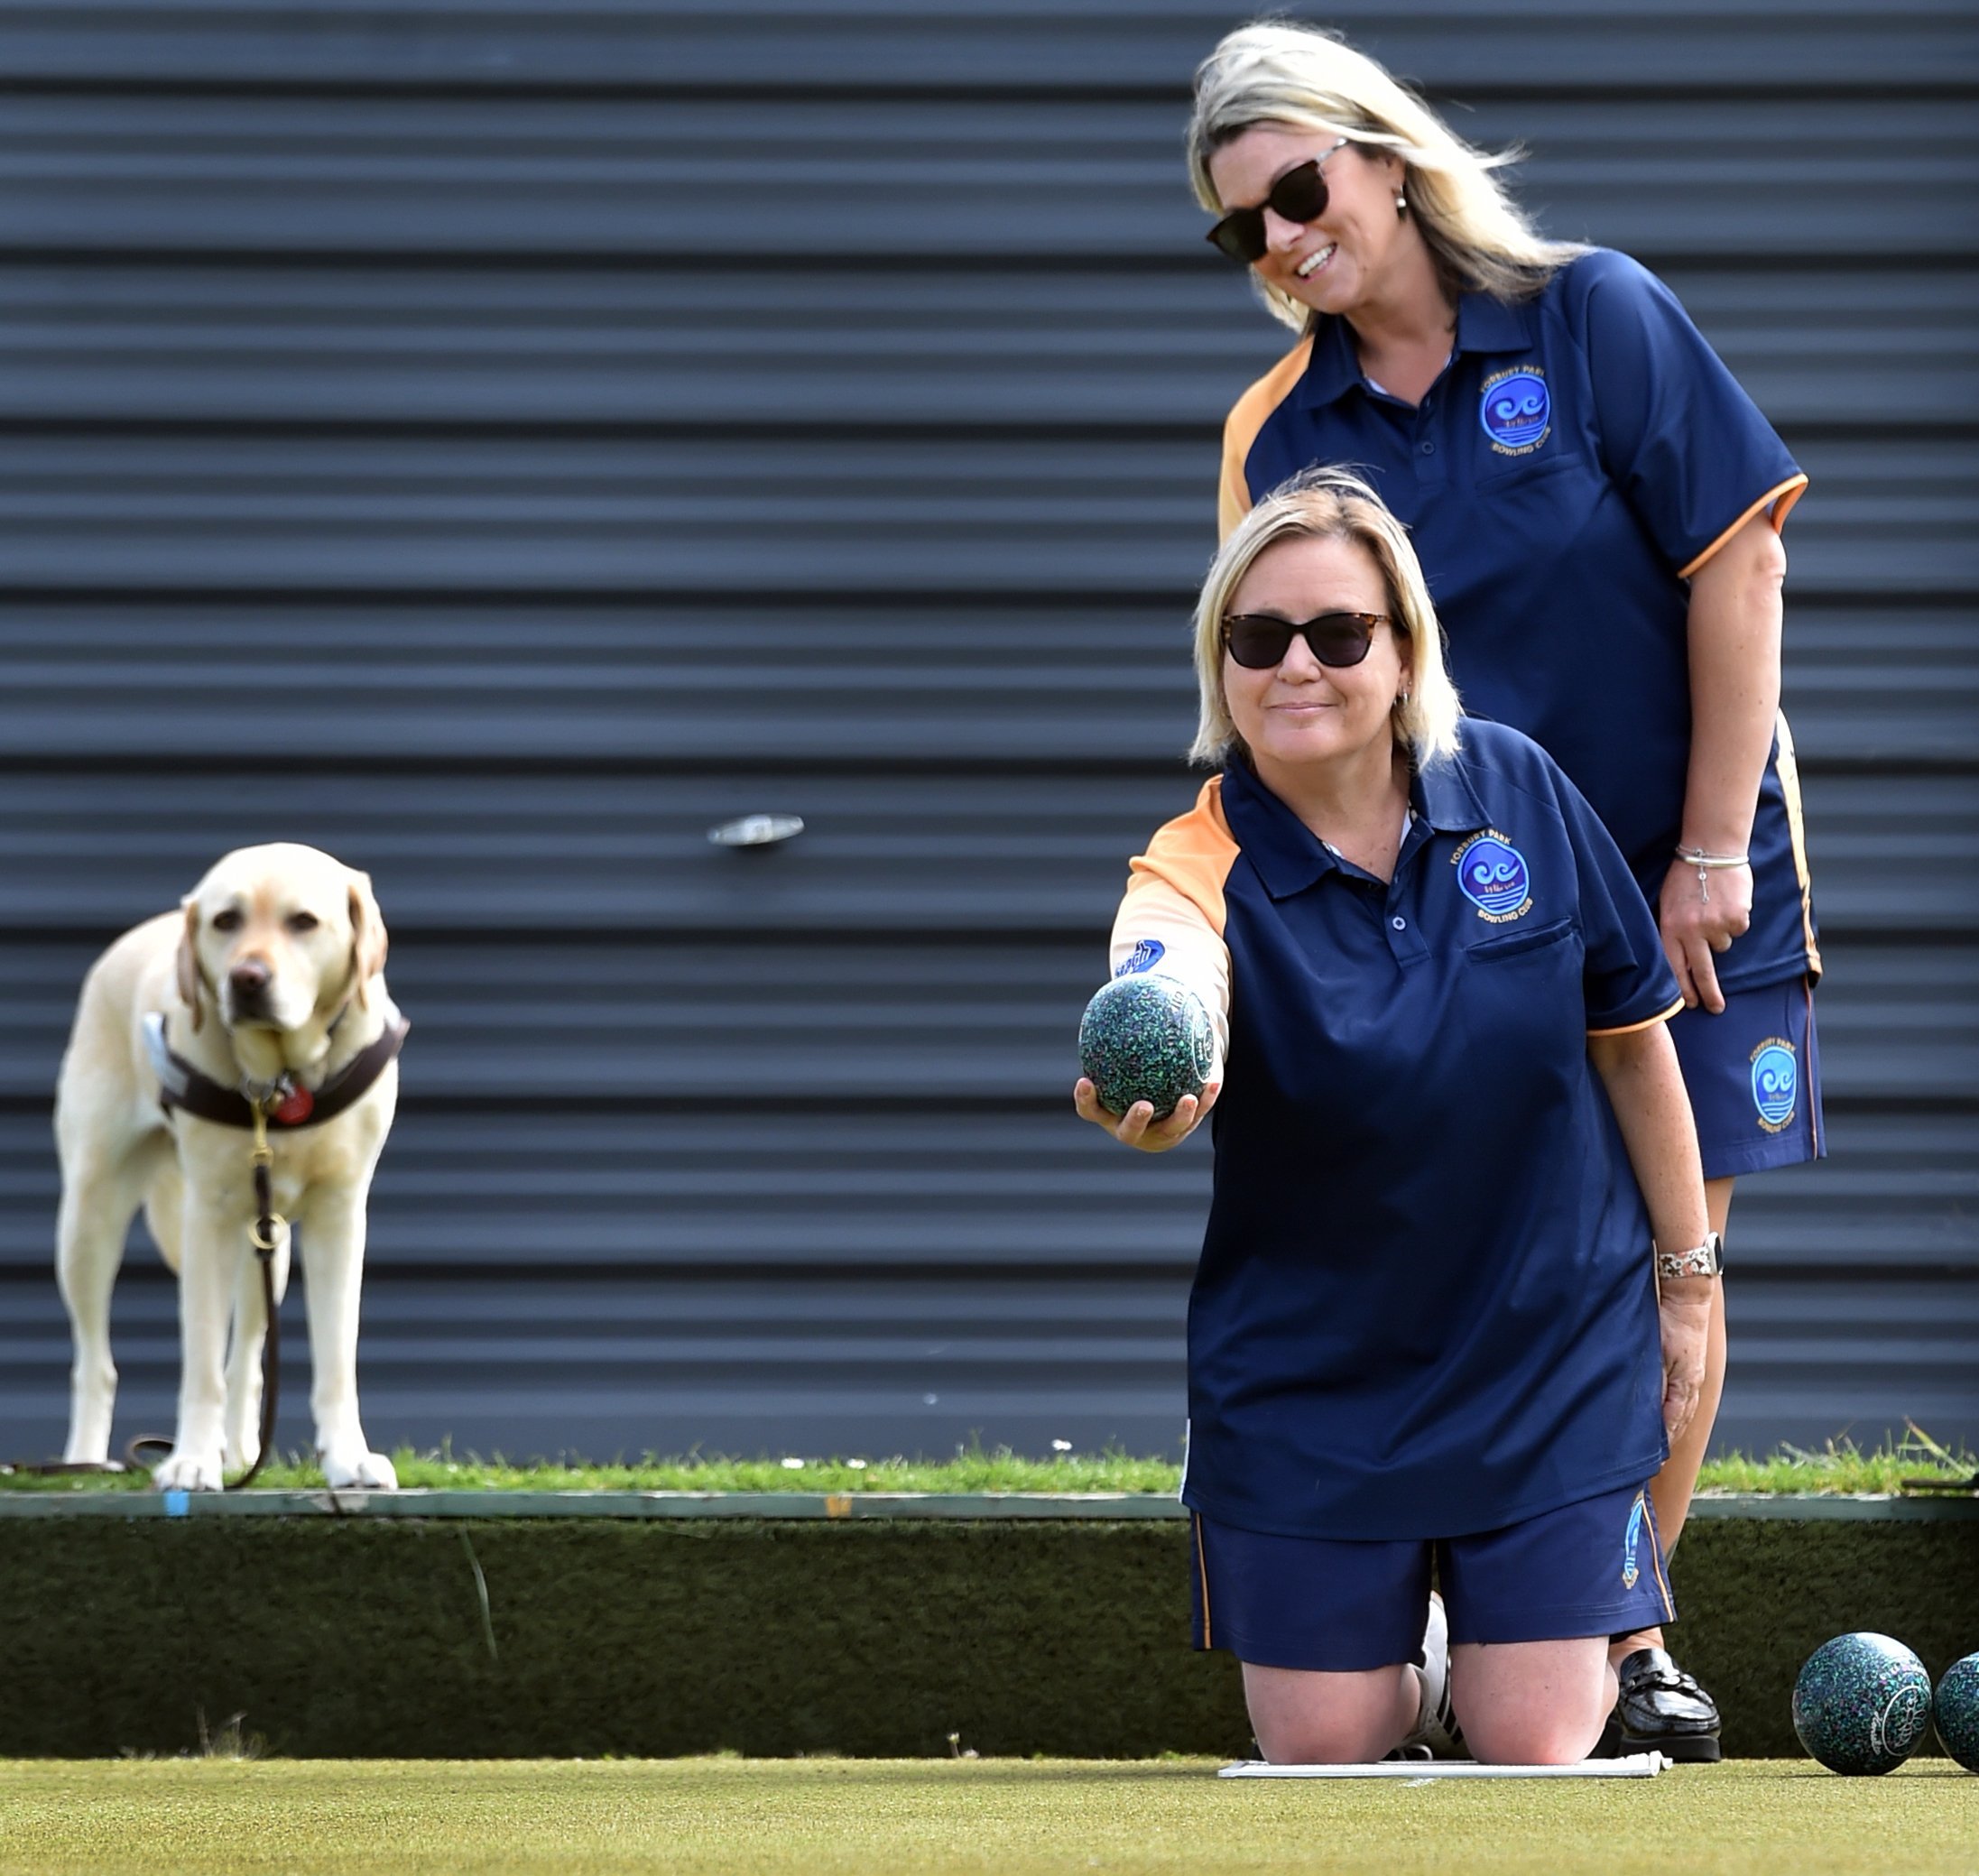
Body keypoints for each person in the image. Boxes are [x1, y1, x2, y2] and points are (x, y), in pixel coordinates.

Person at [1185, 20, 1822, 1757]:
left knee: (1658, 1250)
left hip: (1682, 870)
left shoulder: (1593, 312)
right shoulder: (1280, 426)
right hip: (1450, 913)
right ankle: (1475, 1641)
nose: (1285, 242)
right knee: (1478, 1257)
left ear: (1383, 155)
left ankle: (1616, 1641)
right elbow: (1292, 683)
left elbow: (1739, 563)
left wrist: (1702, 851)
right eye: (1243, 229)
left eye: (1300, 190)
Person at [1073, 471, 1720, 1764]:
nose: (1293, 667)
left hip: (1540, 1351)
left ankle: (1519, 1655)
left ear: (1404, 648)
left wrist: (1688, 1277)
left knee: (1532, 1744)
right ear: (1221, 663)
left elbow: (1633, 1041)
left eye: (1336, 633)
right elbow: (1160, 957)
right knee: (1327, 1747)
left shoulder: (1520, 791)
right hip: (1314, 1374)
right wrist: (1160, 1062)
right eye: (1255, 639)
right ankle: (1414, 1659)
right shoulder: (1197, 853)